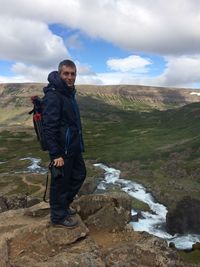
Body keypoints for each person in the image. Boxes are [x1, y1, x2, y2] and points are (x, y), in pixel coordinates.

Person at [43, 59, 86, 228]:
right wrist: (55, 154)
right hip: (62, 150)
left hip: (73, 147)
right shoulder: (54, 95)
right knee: (60, 183)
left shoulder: (68, 93)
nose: (70, 77)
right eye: (66, 73)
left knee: (79, 175)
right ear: (60, 74)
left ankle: (64, 206)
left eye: (73, 74)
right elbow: (49, 127)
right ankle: (58, 217)